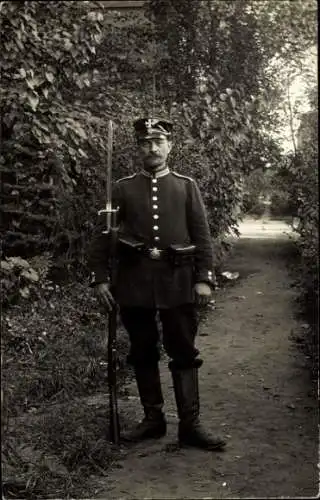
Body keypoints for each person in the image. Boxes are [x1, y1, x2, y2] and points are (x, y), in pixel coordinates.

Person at [89, 117, 226, 451]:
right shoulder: (121, 188)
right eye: (145, 143)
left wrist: (204, 278)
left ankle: (190, 426)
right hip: (134, 283)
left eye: (158, 142)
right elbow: (102, 238)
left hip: (178, 282)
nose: (152, 148)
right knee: (142, 349)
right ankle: (153, 420)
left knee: (183, 350)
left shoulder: (185, 186)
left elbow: (202, 237)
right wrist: (101, 280)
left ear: (169, 146)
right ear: (139, 147)